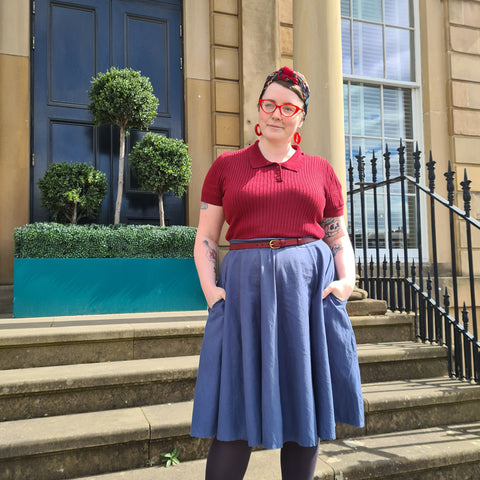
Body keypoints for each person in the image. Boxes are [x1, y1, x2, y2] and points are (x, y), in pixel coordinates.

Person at [191, 66, 364, 480]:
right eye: (269, 103)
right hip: (243, 296)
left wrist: (347, 282)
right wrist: (211, 290)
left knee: (301, 403)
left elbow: (337, 236)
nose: (276, 113)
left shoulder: (320, 170)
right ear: (258, 108)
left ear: (300, 117)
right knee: (235, 404)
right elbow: (206, 237)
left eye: (288, 107)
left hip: (306, 295)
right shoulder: (227, 167)